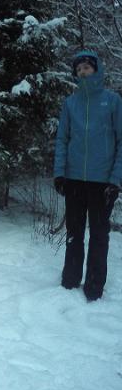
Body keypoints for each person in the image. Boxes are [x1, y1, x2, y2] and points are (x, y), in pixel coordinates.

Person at [54, 51, 122, 301]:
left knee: (99, 236)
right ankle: (70, 282)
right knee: (74, 233)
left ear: (96, 70)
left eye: (87, 67)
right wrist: (59, 173)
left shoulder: (112, 101)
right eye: (79, 69)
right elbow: (62, 139)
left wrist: (115, 180)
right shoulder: (70, 103)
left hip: (102, 183)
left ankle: (94, 288)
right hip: (73, 180)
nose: (83, 72)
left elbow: (121, 141)